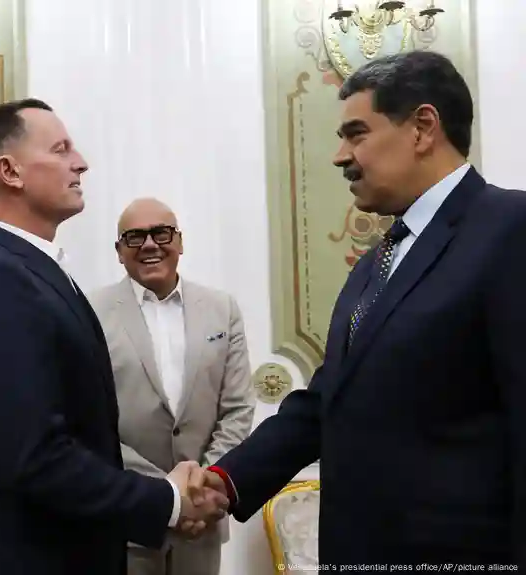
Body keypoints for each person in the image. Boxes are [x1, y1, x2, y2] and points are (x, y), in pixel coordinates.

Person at [189, 50, 526, 565]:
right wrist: (226, 480)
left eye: (356, 134)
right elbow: (331, 399)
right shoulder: (377, 261)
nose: (339, 156)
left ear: (422, 128)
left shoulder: (510, 230)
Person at [0, 99, 227, 575]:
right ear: (10, 172)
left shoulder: (32, 270)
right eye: (61, 150)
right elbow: (34, 456)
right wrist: (167, 501)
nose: (81, 163)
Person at [89, 198, 255, 575]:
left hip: (203, 516)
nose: (150, 244)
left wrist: (203, 488)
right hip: (128, 517)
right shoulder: (90, 312)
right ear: (119, 251)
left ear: (180, 241)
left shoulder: (222, 308)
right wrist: (166, 497)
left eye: (161, 233)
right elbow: (91, 421)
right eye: (134, 237)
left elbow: (237, 409)